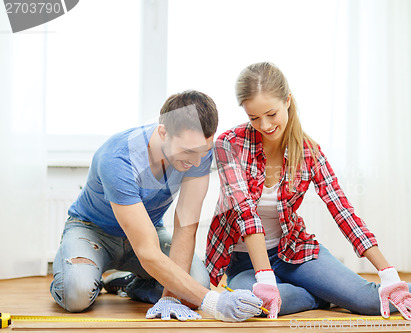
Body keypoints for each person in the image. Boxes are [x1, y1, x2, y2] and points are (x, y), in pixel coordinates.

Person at [205, 62, 411, 320]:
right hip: (244, 261)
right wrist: (264, 276)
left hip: (293, 251)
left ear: (288, 101)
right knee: (252, 304)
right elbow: (245, 213)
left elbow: (343, 211)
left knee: (371, 300)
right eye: (254, 118)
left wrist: (388, 273)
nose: (264, 125)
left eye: (271, 114)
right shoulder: (229, 144)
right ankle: (325, 295)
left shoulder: (310, 152)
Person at [50, 90, 263, 322]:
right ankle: (82, 272)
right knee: (77, 295)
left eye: (202, 152)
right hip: (92, 232)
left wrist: (172, 297)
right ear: (163, 132)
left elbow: (186, 227)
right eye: (188, 152)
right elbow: (148, 252)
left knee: (195, 288)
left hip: (147, 230)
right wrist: (214, 302)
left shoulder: (199, 152)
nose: (196, 162)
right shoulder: (117, 159)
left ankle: (128, 284)